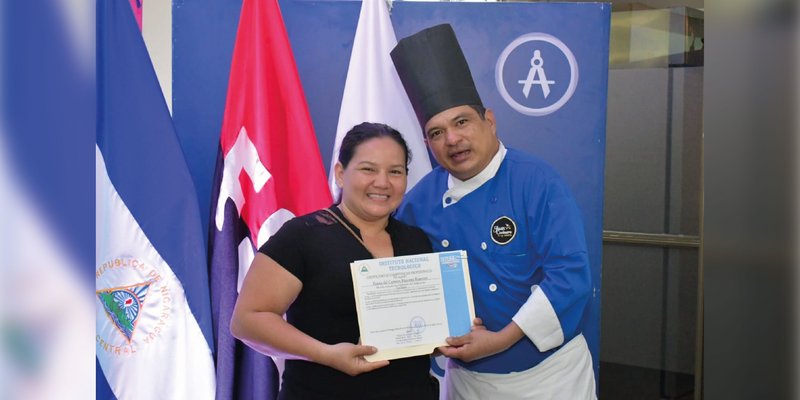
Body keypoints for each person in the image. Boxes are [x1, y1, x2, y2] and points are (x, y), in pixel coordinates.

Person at [390, 24, 597, 399]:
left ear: (489, 120)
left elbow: (570, 277)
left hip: (552, 378)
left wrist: (502, 340)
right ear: (427, 144)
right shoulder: (418, 202)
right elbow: (401, 279)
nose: (452, 139)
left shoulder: (537, 182)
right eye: (436, 132)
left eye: (462, 122)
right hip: (469, 383)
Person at [230, 122, 438, 399]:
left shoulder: (417, 240)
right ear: (341, 174)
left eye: (395, 172)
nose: (382, 182)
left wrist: (445, 335)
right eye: (368, 169)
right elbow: (247, 320)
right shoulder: (303, 236)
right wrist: (326, 354)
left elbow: (422, 325)